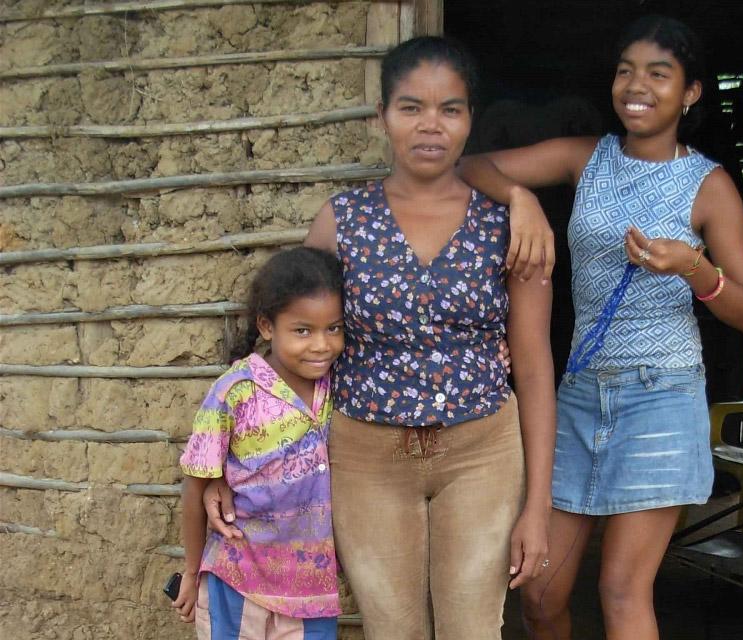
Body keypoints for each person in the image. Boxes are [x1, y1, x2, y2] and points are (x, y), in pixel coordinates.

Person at [204, 36, 557, 640]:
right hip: (366, 457)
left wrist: (538, 506)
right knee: (392, 629)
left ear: (470, 119)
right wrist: (225, 464)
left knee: (472, 630)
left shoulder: (509, 226)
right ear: (382, 116)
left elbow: (534, 368)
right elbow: (289, 357)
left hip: (483, 454)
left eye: (450, 109)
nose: (430, 125)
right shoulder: (342, 220)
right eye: (411, 107)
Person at [457, 15, 743, 640]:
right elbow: (470, 166)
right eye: (626, 71)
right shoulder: (586, 157)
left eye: (658, 74)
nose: (636, 85)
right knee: (540, 592)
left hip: (662, 397)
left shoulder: (708, 186)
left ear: (690, 92)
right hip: (579, 395)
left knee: (622, 590)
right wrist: (521, 198)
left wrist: (694, 268)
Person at [173, 247, 344, 639]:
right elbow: (195, 483)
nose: (322, 344)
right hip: (239, 576)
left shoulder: (340, 385)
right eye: (303, 331)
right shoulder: (235, 392)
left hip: (312, 589)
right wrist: (192, 571)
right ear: (267, 326)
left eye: (334, 328)